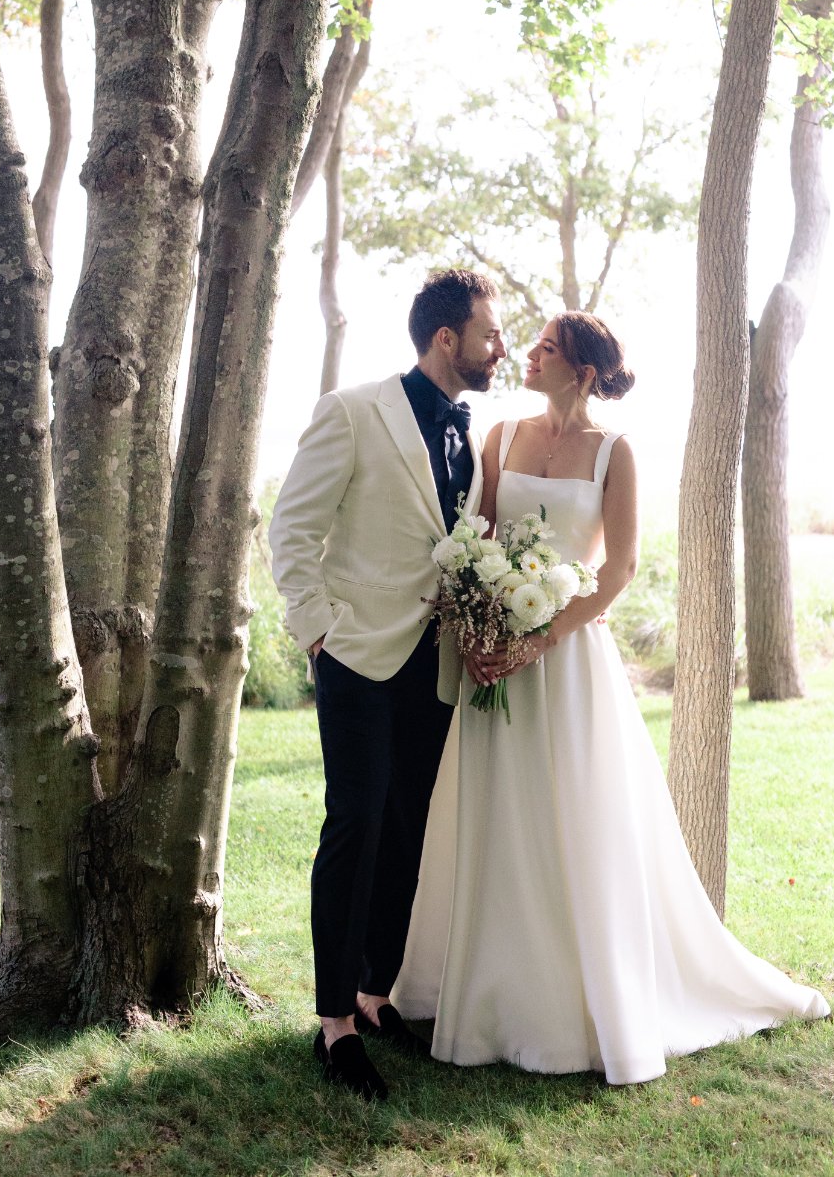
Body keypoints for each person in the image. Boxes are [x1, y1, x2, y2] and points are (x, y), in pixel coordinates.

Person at [394, 310, 830, 1085]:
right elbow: (482, 537)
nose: (529, 353)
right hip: (495, 655)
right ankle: (483, 992)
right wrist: (483, 626)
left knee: (579, 821)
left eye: (549, 349)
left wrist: (539, 636)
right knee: (497, 817)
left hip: (567, 664)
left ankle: (576, 1007)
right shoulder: (500, 438)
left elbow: (621, 568)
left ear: (585, 372)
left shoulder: (615, 453)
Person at [269, 269, 506, 1100]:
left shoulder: (471, 437)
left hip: (432, 664)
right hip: (358, 656)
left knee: (406, 830)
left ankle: (376, 993)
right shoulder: (353, 410)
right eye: (489, 332)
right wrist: (317, 630)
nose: (499, 347)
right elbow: (292, 526)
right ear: (447, 338)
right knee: (356, 826)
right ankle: (333, 1024)